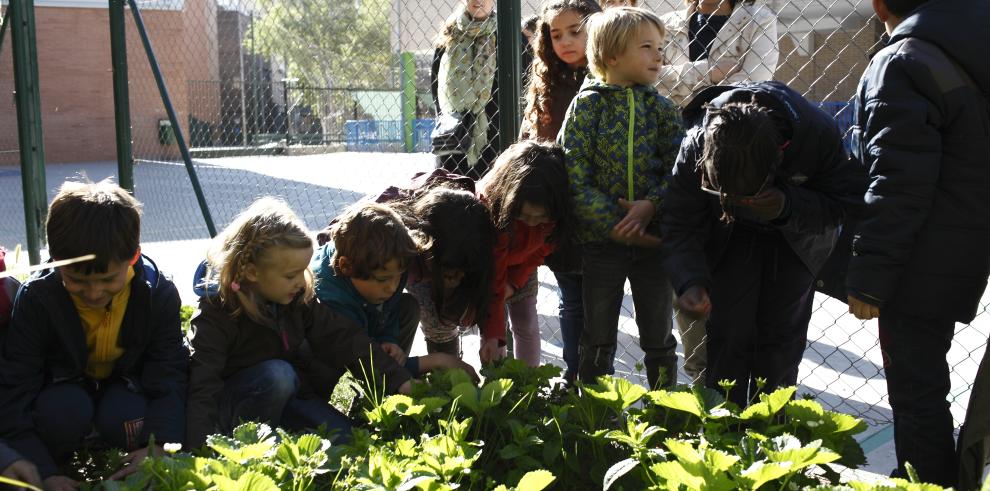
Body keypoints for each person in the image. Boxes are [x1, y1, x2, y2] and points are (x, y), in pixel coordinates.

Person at [186, 198, 476, 448]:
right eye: (291, 275)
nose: (301, 282)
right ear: (251, 272)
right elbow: (202, 385)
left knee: (352, 443)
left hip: (292, 398)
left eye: (302, 271)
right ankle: (250, 445)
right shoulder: (217, 312)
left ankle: (281, 435)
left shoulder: (297, 299)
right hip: (230, 411)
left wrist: (399, 381)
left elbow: (347, 340)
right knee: (278, 375)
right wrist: (197, 448)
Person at [844, 0, 990, 485]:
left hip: (922, 255)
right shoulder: (969, 44)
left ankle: (928, 481)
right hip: (969, 240)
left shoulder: (904, 59)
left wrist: (869, 279)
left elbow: (897, 181)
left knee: (917, 393)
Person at [662, 81, 863, 406]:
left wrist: (788, 205)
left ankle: (773, 438)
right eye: (723, 194)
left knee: (779, 349)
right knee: (727, 339)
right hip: (730, 237)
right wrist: (689, 280)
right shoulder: (697, 142)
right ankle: (723, 440)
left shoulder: (814, 136)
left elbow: (843, 204)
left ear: (778, 162)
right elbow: (678, 219)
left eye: (746, 196)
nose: (737, 201)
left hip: (795, 240)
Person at [0, 179, 188, 488]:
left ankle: (124, 454)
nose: (93, 292)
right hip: (63, 393)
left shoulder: (157, 295)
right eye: (76, 280)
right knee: (62, 412)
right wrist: (42, 472)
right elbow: (16, 387)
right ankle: (63, 461)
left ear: (134, 257)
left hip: (125, 392)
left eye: (107, 279)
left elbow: (168, 374)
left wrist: (161, 445)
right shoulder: (37, 299)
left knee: (127, 415)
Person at [558, 7, 684, 389]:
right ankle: (596, 412)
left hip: (651, 243)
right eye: (647, 47)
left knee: (658, 335)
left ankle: (667, 412)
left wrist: (651, 206)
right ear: (612, 56)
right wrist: (613, 224)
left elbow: (678, 171)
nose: (659, 55)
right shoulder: (587, 106)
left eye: (661, 47)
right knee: (597, 335)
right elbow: (573, 173)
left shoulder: (662, 110)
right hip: (602, 243)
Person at [658, 0, 779, 385]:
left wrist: (685, 83)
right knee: (685, 266)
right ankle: (699, 380)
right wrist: (713, 72)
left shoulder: (759, 19)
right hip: (676, 158)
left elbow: (751, 88)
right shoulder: (668, 23)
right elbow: (653, 81)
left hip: (732, 162)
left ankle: (731, 379)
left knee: (729, 273)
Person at [521, 0, 602, 381]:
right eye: (556, 34)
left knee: (601, 303)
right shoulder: (547, 85)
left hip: (604, 210)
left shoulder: (610, 79)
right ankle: (576, 377)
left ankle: (596, 379)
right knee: (572, 300)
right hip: (562, 211)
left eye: (576, 31)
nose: (566, 41)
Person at [476, 140, 575, 367]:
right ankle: (496, 382)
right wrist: (494, 335)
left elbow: (542, 250)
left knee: (526, 323)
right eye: (525, 217)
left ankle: (528, 383)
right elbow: (494, 272)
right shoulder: (492, 209)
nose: (532, 224)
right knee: (493, 329)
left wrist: (515, 282)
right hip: (490, 267)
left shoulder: (555, 218)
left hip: (523, 267)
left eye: (540, 219)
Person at [311, 203, 424, 368]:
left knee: (409, 307)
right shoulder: (329, 297)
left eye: (398, 277)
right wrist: (426, 363)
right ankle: (390, 378)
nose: (392, 287)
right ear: (346, 267)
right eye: (382, 279)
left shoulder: (389, 266)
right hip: (333, 358)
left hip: (367, 319)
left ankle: (392, 375)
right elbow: (356, 352)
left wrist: (389, 340)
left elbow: (389, 309)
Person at [393, 184, 496, 357]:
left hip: (432, 263)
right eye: (450, 270)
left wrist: (493, 336)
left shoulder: (475, 237)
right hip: (416, 264)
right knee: (426, 315)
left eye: (462, 270)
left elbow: (473, 306)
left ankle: (448, 373)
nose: (458, 275)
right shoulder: (403, 252)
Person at [658, 0, 779, 107]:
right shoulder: (664, 24)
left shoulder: (759, 21)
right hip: (672, 126)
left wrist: (680, 92)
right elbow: (648, 80)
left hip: (728, 125)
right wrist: (706, 72)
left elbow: (752, 85)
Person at [431, 0, 498, 178]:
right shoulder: (449, 32)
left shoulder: (508, 35)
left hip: (495, 139)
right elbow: (435, 84)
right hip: (453, 137)